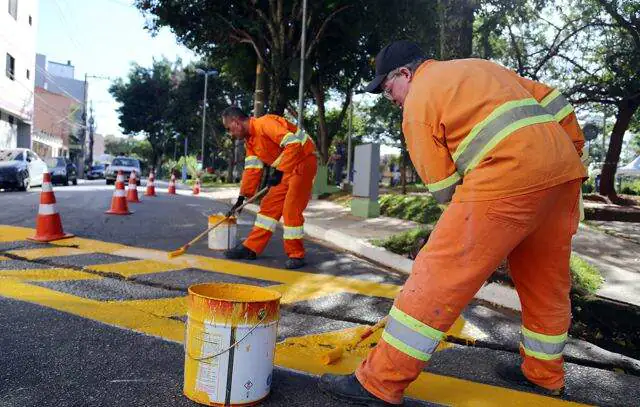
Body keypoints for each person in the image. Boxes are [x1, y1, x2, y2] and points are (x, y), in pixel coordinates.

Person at [319, 40, 587, 405]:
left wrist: (469, 230)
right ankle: (544, 374)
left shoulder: (417, 104)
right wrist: (568, 152)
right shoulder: (481, 67)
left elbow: (445, 188)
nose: (391, 98)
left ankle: (378, 382)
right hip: (563, 175)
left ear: (405, 74)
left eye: (388, 89)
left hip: (507, 175)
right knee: (546, 282)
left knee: (437, 276)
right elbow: (554, 101)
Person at [221, 107, 317, 270]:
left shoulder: (264, 124)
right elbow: (252, 171)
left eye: (229, 129)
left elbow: (293, 144)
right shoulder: (250, 141)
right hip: (287, 169)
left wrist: (279, 172)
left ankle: (296, 255)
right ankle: (251, 248)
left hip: (303, 161)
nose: (231, 133)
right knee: (268, 207)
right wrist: (242, 197)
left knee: (290, 209)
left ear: (236, 122)